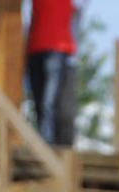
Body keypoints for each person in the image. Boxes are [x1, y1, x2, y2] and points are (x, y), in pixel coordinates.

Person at [25, 0, 78, 147]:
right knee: (39, 100)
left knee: (49, 101)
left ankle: (47, 142)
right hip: (36, 47)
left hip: (57, 49)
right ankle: (45, 139)